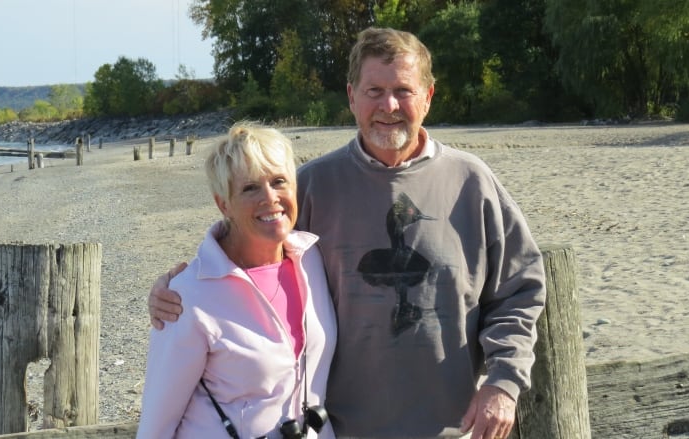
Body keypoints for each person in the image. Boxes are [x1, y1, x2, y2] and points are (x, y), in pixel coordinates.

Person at [149, 27, 546, 439]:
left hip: (455, 427)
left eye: (403, 91)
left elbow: (520, 287)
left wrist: (503, 382)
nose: (388, 105)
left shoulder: (471, 182)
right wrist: (176, 289)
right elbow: (244, 255)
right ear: (351, 96)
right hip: (343, 430)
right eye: (374, 90)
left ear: (428, 97)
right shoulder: (313, 187)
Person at [137, 122, 337, 438]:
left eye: (279, 181)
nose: (270, 198)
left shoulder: (311, 259)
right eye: (250, 188)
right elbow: (156, 425)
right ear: (223, 204)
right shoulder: (186, 297)